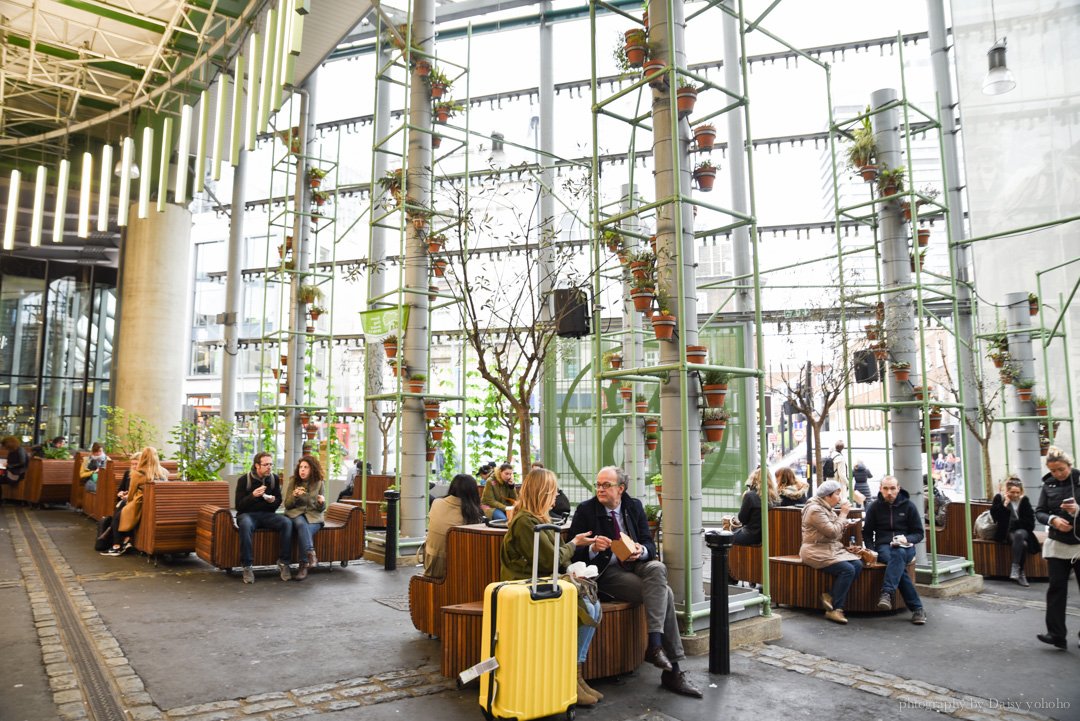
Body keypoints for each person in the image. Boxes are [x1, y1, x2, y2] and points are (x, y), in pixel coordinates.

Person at [568, 466, 703, 698]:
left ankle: (657, 648)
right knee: (667, 594)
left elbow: (650, 546)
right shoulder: (586, 510)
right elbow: (574, 555)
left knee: (658, 567)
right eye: (598, 484)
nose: (600, 489)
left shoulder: (634, 506)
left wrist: (640, 550)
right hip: (606, 573)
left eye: (606, 485)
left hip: (635, 565)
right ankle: (668, 662)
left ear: (621, 488)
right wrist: (592, 548)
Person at [501, 468, 601, 706]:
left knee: (594, 605)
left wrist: (574, 555)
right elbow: (550, 559)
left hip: (539, 582)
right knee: (587, 606)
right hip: (525, 587)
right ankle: (570, 677)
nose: (557, 496)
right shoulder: (526, 521)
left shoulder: (535, 519)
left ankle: (576, 674)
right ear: (543, 493)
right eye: (553, 491)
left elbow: (554, 556)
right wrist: (574, 544)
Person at [862, 475, 927, 624]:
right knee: (897, 559)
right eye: (885, 488)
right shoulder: (874, 507)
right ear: (880, 489)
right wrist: (872, 550)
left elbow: (919, 533)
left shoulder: (909, 506)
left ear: (898, 488)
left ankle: (886, 593)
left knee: (898, 553)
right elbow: (866, 532)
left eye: (892, 488)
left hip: (906, 546)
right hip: (884, 547)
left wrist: (907, 539)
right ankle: (917, 609)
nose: (889, 492)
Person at [1035, 447, 1080, 650]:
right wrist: (1053, 520)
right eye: (1053, 471)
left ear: (1069, 466)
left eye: (1061, 469)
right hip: (1058, 543)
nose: (1058, 474)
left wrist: (1077, 510)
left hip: (1078, 544)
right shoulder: (1048, 484)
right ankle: (1056, 634)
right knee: (1056, 589)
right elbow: (1040, 512)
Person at [799, 479, 862, 625]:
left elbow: (834, 533)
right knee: (847, 570)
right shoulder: (815, 510)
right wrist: (844, 515)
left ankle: (830, 596)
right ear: (827, 496)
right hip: (814, 551)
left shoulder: (826, 508)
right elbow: (832, 532)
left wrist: (843, 523)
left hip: (830, 549)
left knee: (858, 564)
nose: (839, 498)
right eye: (837, 494)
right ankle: (835, 609)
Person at [235, 452, 293, 584]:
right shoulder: (244, 480)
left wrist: (273, 501)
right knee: (245, 524)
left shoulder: (274, 479)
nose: (269, 467)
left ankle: (284, 562)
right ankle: (247, 566)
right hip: (247, 515)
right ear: (257, 466)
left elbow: (278, 500)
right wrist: (253, 496)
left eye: (271, 464)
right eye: (266, 464)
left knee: (286, 523)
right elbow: (239, 506)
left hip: (267, 515)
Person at [103, 448, 168, 556]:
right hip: (157, 505)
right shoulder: (163, 472)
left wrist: (125, 498)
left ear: (143, 458)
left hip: (140, 504)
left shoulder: (138, 474)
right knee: (121, 511)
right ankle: (125, 541)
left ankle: (117, 546)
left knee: (118, 516)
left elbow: (132, 495)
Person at [423, 474, 484, 578]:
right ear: (473, 492)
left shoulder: (437, 503)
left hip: (430, 564)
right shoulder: (472, 515)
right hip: (454, 568)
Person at [990, 476, 1040, 588]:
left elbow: (1030, 523)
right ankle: (1021, 573)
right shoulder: (999, 498)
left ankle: (1015, 567)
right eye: (1012, 492)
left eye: (1018, 492)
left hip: (1024, 531)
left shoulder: (1024, 500)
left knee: (1019, 534)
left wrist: (1016, 523)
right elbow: (996, 517)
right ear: (1006, 491)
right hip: (1008, 532)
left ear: (1021, 491)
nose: (1015, 495)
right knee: (1023, 544)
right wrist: (1005, 505)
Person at [284, 454, 327, 581]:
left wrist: (321, 502)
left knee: (305, 528)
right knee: (302, 524)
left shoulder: (319, 483)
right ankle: (309, 557)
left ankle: (304, 564)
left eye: (306, 467)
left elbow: (322, 509)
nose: (302, 470)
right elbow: (287, 504)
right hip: (296, 514)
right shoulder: (293, 482)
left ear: (312, 469)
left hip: (314, 517)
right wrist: (295, 496)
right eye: (301, 467)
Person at [732, 468, 778, 546]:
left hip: (751, 535)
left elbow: (742, 518)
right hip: (767, 536)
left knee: (725, 537)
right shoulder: (775, 498)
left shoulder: (750, 495)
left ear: (753, 480)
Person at [1, 436, 30, 503]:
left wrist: (9, 465)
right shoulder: (13, 450)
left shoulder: (20, 450)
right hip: (12, 472)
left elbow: (22, 463)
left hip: (17, 474)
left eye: (5, 446)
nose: (4, 448)